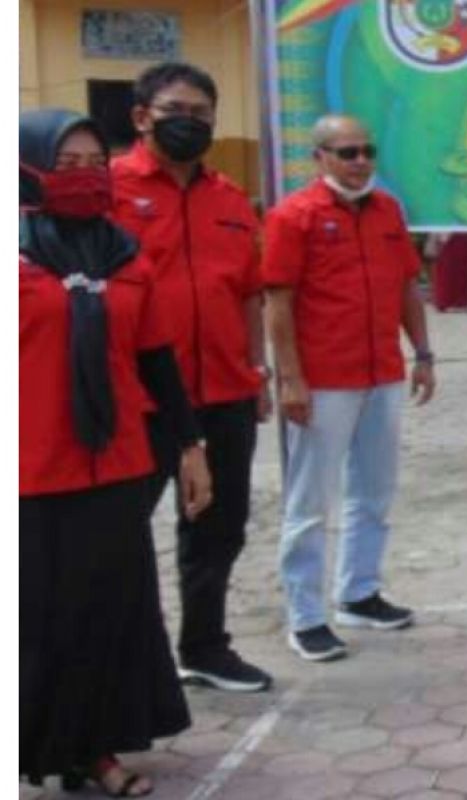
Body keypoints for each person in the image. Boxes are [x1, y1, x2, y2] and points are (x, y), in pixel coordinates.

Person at [20, 109, 211, 796]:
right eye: (65, 163)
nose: (83, 177)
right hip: (29, 473)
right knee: (35, 617)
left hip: (116, 466)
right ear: (28, 166)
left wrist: (192, 445)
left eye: (94, 163)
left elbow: (157, 359)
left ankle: (94, 751)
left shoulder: (127, 255)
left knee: (106, 613)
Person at [111, 62, 273, 693]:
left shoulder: (230, 199)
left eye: (202, 114)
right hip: (142, 400)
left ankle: (204, 646)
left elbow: (250, 295)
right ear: (141, 117)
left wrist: (256, 372)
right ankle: (130, 667)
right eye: (176, 111)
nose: (191, 123)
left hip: (226, 393)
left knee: (219, 527)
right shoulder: (109, 191)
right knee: (120, 537)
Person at [263, 114, 436, 662]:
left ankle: (359, 593)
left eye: (366, 150)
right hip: (323, 382)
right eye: (346, 152)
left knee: (375, 493)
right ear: (319, 158)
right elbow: (278, 301)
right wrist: (290, 377)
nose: (360, 161)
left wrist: (423, 354)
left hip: (381, 372)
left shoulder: (388, 212)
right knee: (310, 502)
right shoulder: (294, 217)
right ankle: (305, 616)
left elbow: (408, 285)